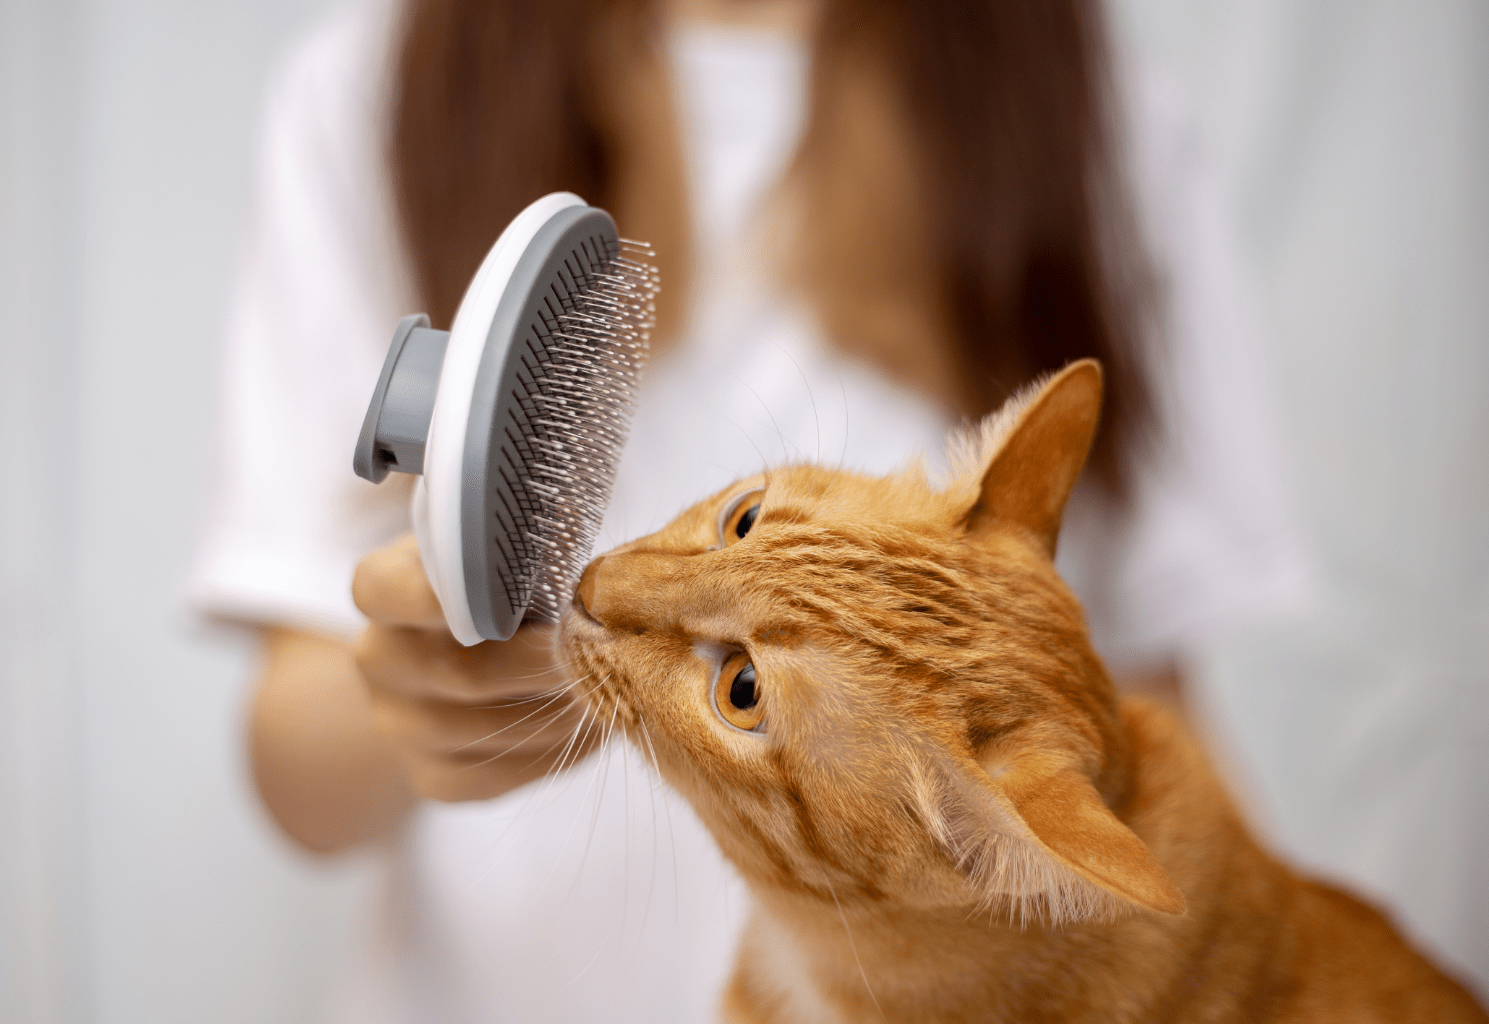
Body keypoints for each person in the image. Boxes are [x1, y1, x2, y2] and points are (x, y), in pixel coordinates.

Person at [191, 0, 1308, 1020]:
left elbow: (1139, 735)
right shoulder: (379, 81)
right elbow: (296, 771)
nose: (611, 583)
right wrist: (403, 699)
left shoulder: (1096, 109)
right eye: (742, 518)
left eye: (740, 686)